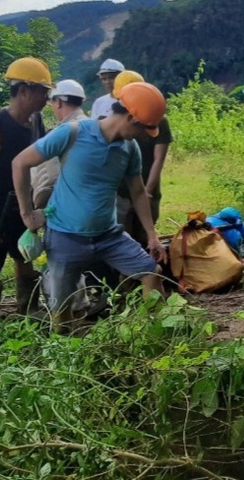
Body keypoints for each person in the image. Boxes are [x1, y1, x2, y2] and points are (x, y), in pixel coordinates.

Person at [12, 82, 169, 334]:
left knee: (151, 273)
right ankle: (63, 353)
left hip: (109, 236)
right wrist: (27, 213)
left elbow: (138, 192)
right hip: (65, 237)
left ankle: (160, 337)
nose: (142, 135)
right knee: (62, 310)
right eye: (142, 128)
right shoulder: (72, 133)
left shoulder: (129, 149)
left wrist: (152, 237)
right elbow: (20, 163)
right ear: (130, 117)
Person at [0, 57, 52, 316]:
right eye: (43, 91)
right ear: (24, 90)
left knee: (24, 256)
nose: (46, 98)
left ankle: (28, 311)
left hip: (21, 204)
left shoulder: (36, 121)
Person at [109, 71, 174, 243]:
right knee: (123, 239)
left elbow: (158, 159)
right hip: (121, 192)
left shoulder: (158, 121)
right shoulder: (114, 122)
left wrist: (147, 191)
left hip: (147, 187)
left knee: (145, 238)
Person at [31, 79, 88, 209]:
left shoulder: (59, 133)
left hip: (65, 209)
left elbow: (45, 188)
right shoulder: (94, 127)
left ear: (59, 102)